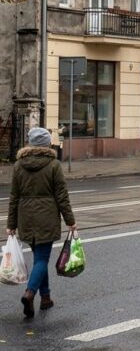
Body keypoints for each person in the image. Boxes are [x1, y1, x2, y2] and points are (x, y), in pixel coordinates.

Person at [6, 127, 77, 318]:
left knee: (39, 257)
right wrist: (70, 220)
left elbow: (14, 196)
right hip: (46, 217)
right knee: (42, 259)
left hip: (25, 218)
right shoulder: (53, 165)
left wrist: (11, 224)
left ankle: (45, 297)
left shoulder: (19, 165)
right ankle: (30, 293)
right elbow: (61, 195)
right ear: (46, 144)